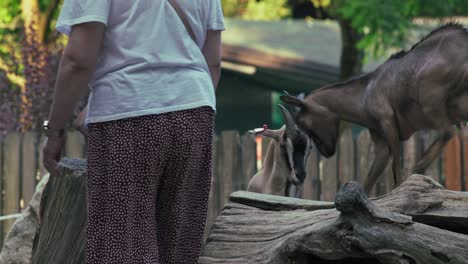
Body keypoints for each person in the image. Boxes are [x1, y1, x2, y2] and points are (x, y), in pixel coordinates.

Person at [42, 0, 225, 263]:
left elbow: (77, 60)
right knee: (178, 246)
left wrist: (54, 131)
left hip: (127, 119)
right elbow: (213, 63)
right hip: (194, 112)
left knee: (123, 246)